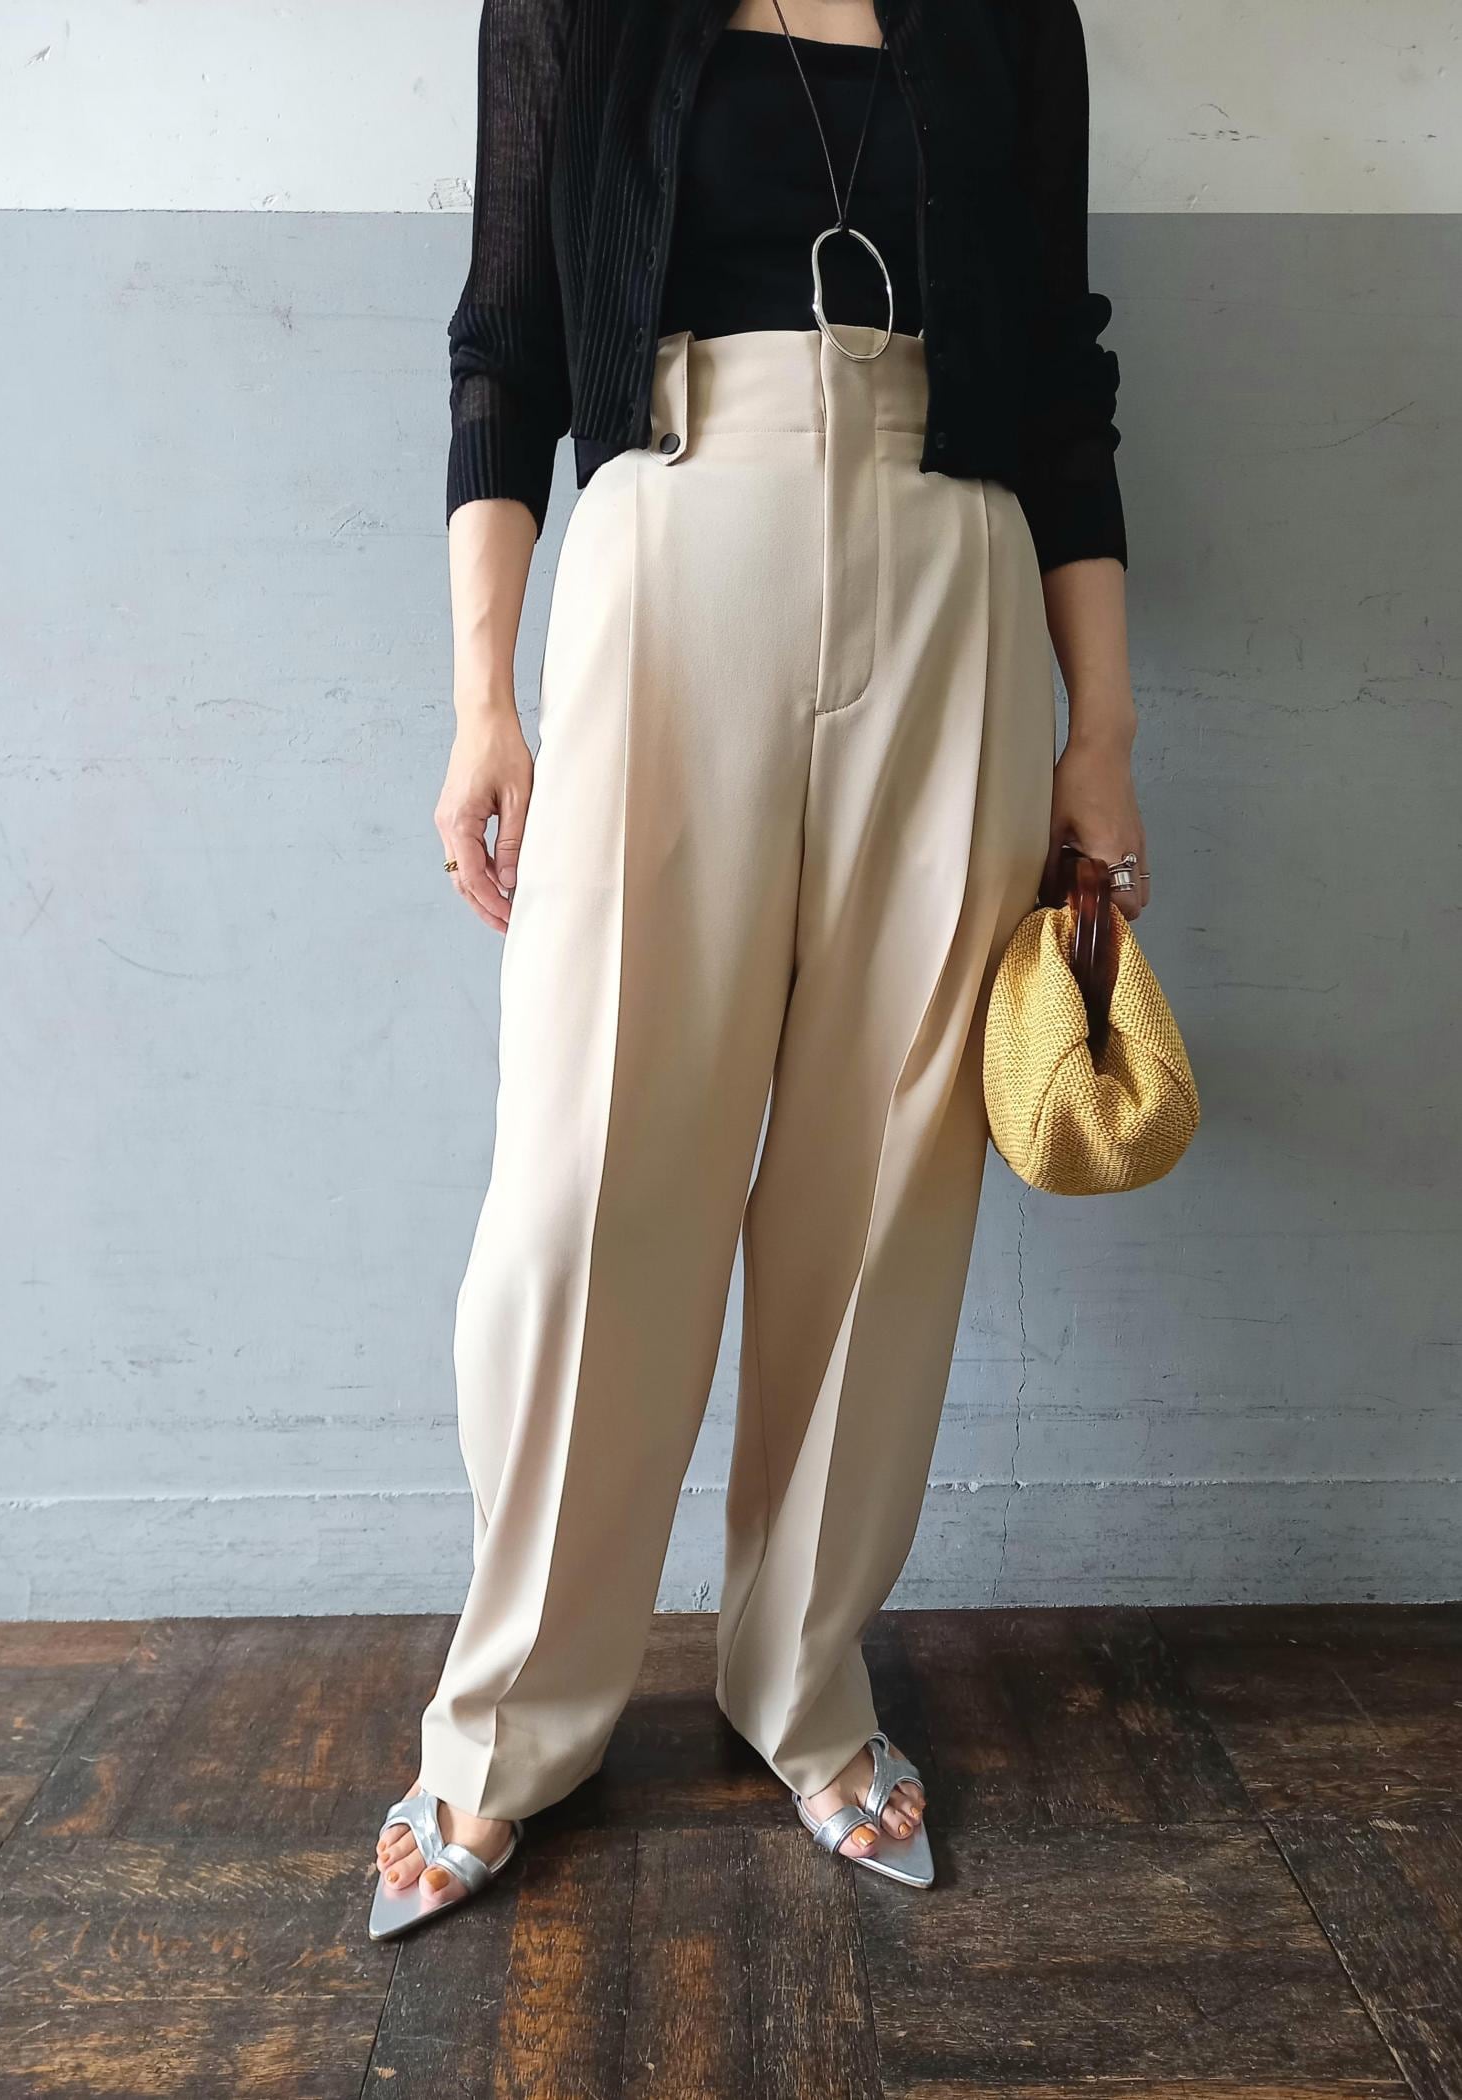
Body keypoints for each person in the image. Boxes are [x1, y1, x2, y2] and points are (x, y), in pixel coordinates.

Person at [371, 0, 1147, 1939]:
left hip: (955, 566)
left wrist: (1103, 732)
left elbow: (1062, 373)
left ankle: (801, 1679)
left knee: (882, 1184)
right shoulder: (575, 10)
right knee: (586, 1182)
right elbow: (506, 337)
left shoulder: (1007, 14)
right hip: (669, 541)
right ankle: (509, 1724)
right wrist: (483, 697)